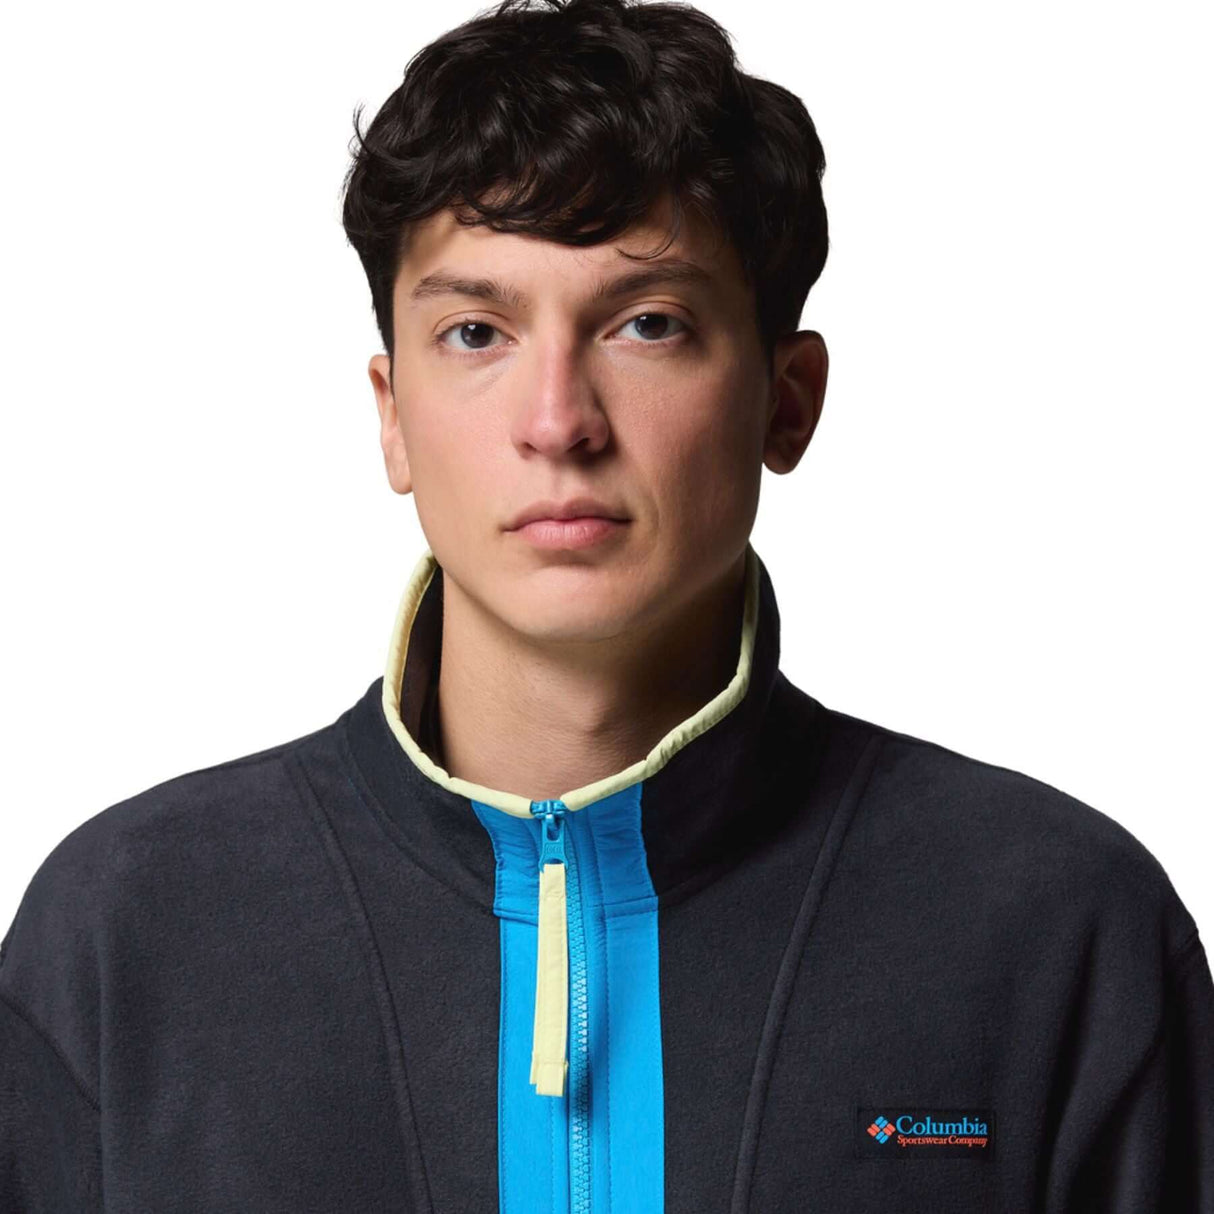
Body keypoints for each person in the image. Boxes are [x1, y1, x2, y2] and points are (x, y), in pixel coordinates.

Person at [2, 0, 1211, 1209]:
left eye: (647, 324)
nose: (557, 421)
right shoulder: (126, 932)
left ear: (787, 399)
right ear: (391, 411)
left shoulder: (1058, 929)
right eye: (475, 331)